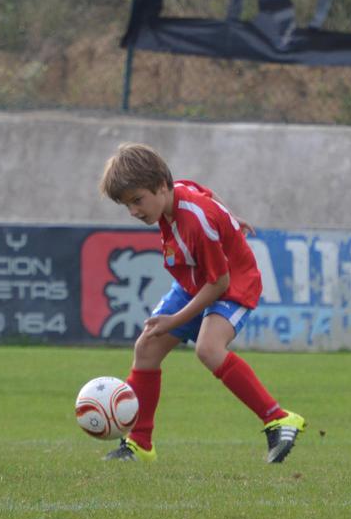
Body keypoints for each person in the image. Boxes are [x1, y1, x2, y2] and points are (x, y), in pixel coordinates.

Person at [97, 143, 306, 463]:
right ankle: (140, 444)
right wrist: (230, 218)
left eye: (137, 200)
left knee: (208, 348)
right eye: (127, 205)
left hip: (233, 282)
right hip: (194, 279)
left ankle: (278, 419)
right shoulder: (177, 191)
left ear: (161, 186)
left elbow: (219, 283)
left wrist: (175, 320)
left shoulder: (197, 223)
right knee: (147, 347)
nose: (134, 212)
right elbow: (206, 193)